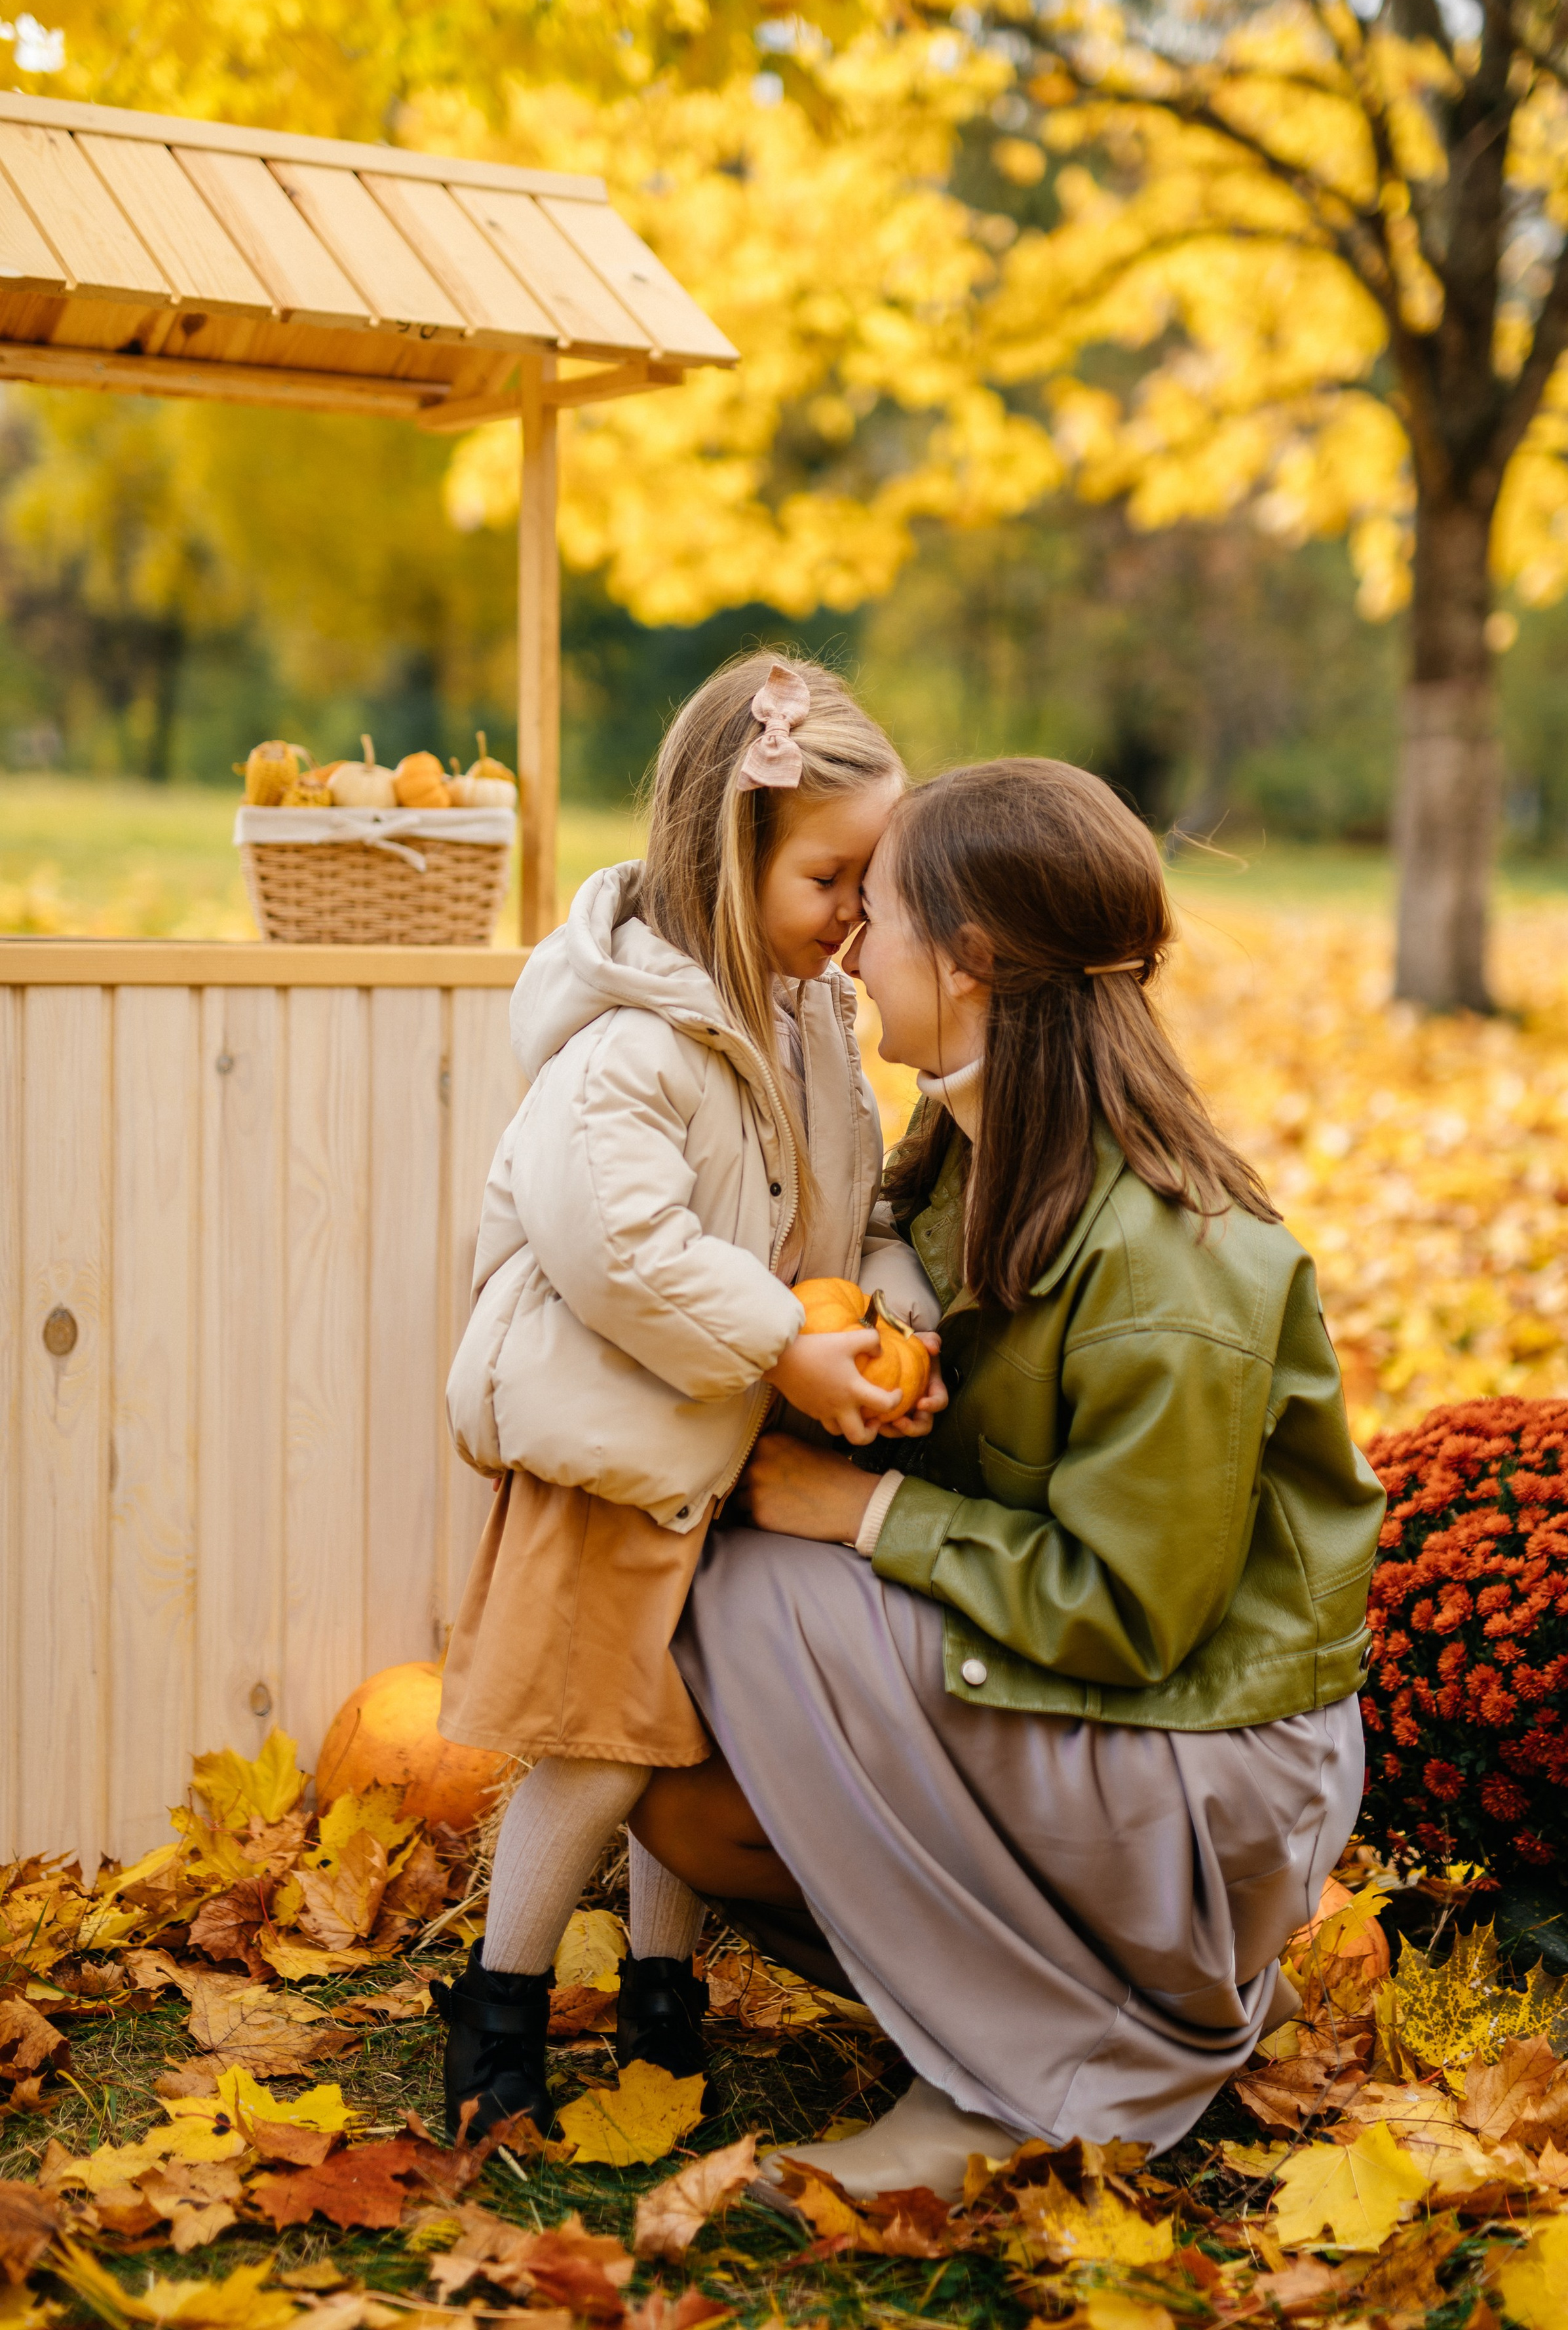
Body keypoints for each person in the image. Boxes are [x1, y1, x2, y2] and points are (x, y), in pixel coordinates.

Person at [631, 757, 1386, 2195]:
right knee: (690, 1804)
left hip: (1210, 1752)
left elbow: (1129, 1611)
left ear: (969, 962)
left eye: (882, 908)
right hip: (1120, 1705)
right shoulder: (965, 1159)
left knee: (751, 1593)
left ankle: (1020, 2077)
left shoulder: (1171, 1260)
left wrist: (865, 1507)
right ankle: (1150, 2009)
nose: (850, 938)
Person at [432, 653, 944, 2139]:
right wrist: (784, 1339)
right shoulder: (626, 1049)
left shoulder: (806, 1028)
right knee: (599, 1749)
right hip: (622, 1452)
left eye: (872, 881)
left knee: (697, 1737)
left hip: (730, 1445)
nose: (857, 916)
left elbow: (848, 1212)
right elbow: (623, 1256)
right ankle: (499, 2005)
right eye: (830, 877)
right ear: (730, 862)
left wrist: (886, 1294)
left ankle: (666, 1989)